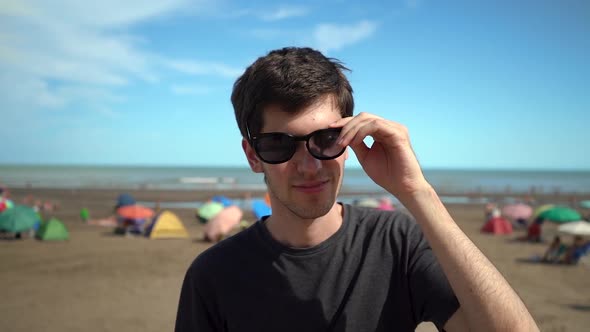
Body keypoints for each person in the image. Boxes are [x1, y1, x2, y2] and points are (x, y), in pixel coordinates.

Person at [175, 47, 538, 331]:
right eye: (279, 145)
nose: (309, 164)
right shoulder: (214, 274)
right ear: (253, 156)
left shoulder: (398, 243)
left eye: (327, 139)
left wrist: (416, 191)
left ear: (349, 141)